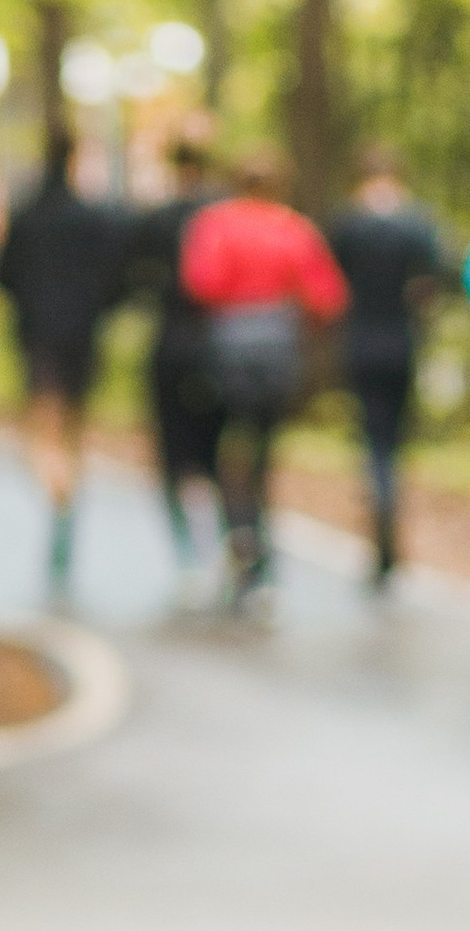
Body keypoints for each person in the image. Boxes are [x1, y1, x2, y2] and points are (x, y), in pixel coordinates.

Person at [176, 147, 347, 614]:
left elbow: (200, 283)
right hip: (277, 348)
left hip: (229, 345)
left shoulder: (215, 224)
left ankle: (241, 538)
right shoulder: (294, 228)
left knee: (229, 447)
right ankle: (257, 546)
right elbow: (327, 296)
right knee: (262, 452)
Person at [0, 131, 134, 595]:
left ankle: (57, 489)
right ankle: (65, 490)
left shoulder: (27, 216)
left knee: (42, 424)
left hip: (37, 338)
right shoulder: (94, 219)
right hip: (83, 337)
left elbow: (2, 277)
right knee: (73, 424)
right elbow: (118, 281)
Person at [325, 147, 447, 584]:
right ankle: (389, 494)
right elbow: (437, 280)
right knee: (395, 436)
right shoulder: (417, 224)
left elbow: (328, 282)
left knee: (371, 436)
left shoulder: (347, 224)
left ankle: (379, 492)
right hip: (402, 340)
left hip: (360, 340)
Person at [124, 124, 223, 588]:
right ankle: (222, 547)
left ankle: (187, 556)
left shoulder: (156, 218)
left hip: (170, 347)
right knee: (216, 451)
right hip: (217, 348)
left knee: (171, 455)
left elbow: (132, 280)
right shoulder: (221, 214)